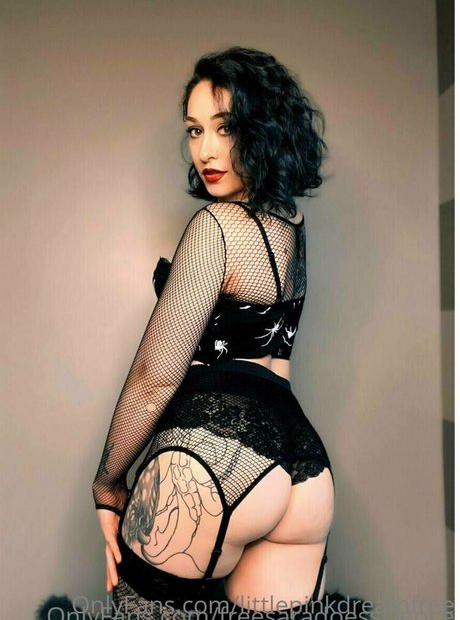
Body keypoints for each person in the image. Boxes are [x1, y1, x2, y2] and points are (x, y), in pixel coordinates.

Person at [92, 46, 335, 619]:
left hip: (210, 461)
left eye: (225, 127)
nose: (205, 150)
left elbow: (154, 378)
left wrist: (107, 484)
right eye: (195, 130)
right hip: (304, 473)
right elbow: (274, 361)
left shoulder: (216, 226)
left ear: (263, 129)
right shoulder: (292, 223)